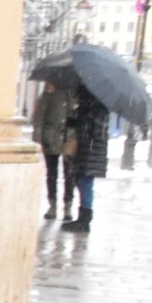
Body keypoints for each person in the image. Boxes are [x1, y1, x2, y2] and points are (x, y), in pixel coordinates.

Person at [62, 85, 109, 232]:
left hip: (91, 151)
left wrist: (81, 120)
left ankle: (85, 219)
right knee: (81, 181)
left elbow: (96, 131)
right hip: (88, 150)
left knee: (85, 182)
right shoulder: (92, 107)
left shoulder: (98, 109)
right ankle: (83, 216)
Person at [32, 80, 70, 220]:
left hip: (68, 138)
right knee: (52, 173)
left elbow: (76, 116)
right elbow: (39, 116)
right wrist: (38, 139)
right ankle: (52, 205)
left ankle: (68, 206)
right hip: (51, 138)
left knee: (69, 174)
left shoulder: (74, 91)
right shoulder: (50, 90)